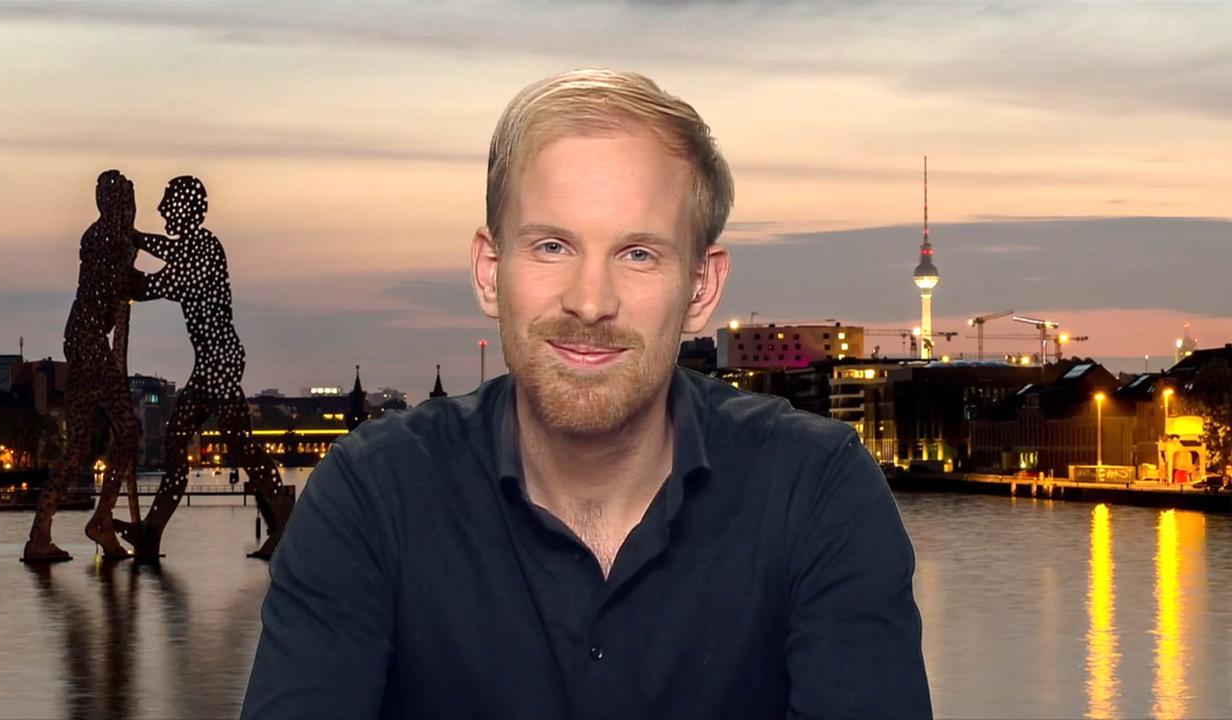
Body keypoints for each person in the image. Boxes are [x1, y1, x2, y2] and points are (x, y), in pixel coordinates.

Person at [242, 68, 931, 719]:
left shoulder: (816, 490)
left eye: (639, 254)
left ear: (701, 287)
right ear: (489, 271)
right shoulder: (370, 496)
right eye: (552, 246)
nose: (591, 301)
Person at [116, 176, 292, 561]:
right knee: (180, 445)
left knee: (234, 446)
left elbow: (158, 284)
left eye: (168, 202)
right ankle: (151, 532)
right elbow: (167, 250)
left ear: (186, 209)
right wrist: (136, 237)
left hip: (220, 362)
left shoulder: (204, 249)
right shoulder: (193, 245)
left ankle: (285, 520)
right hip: (211, 363)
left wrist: (125, 275)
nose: (162, 209)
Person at [24, 170, 143, 562]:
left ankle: (40, 533)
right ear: (113, 204)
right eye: (126, 202)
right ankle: (101, 520)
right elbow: (129, 285)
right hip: (91, 345)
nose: (129, 210)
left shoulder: (102, 237)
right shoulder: (109, 241)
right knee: (127, 431)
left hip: (81, 342)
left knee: (78, 447)